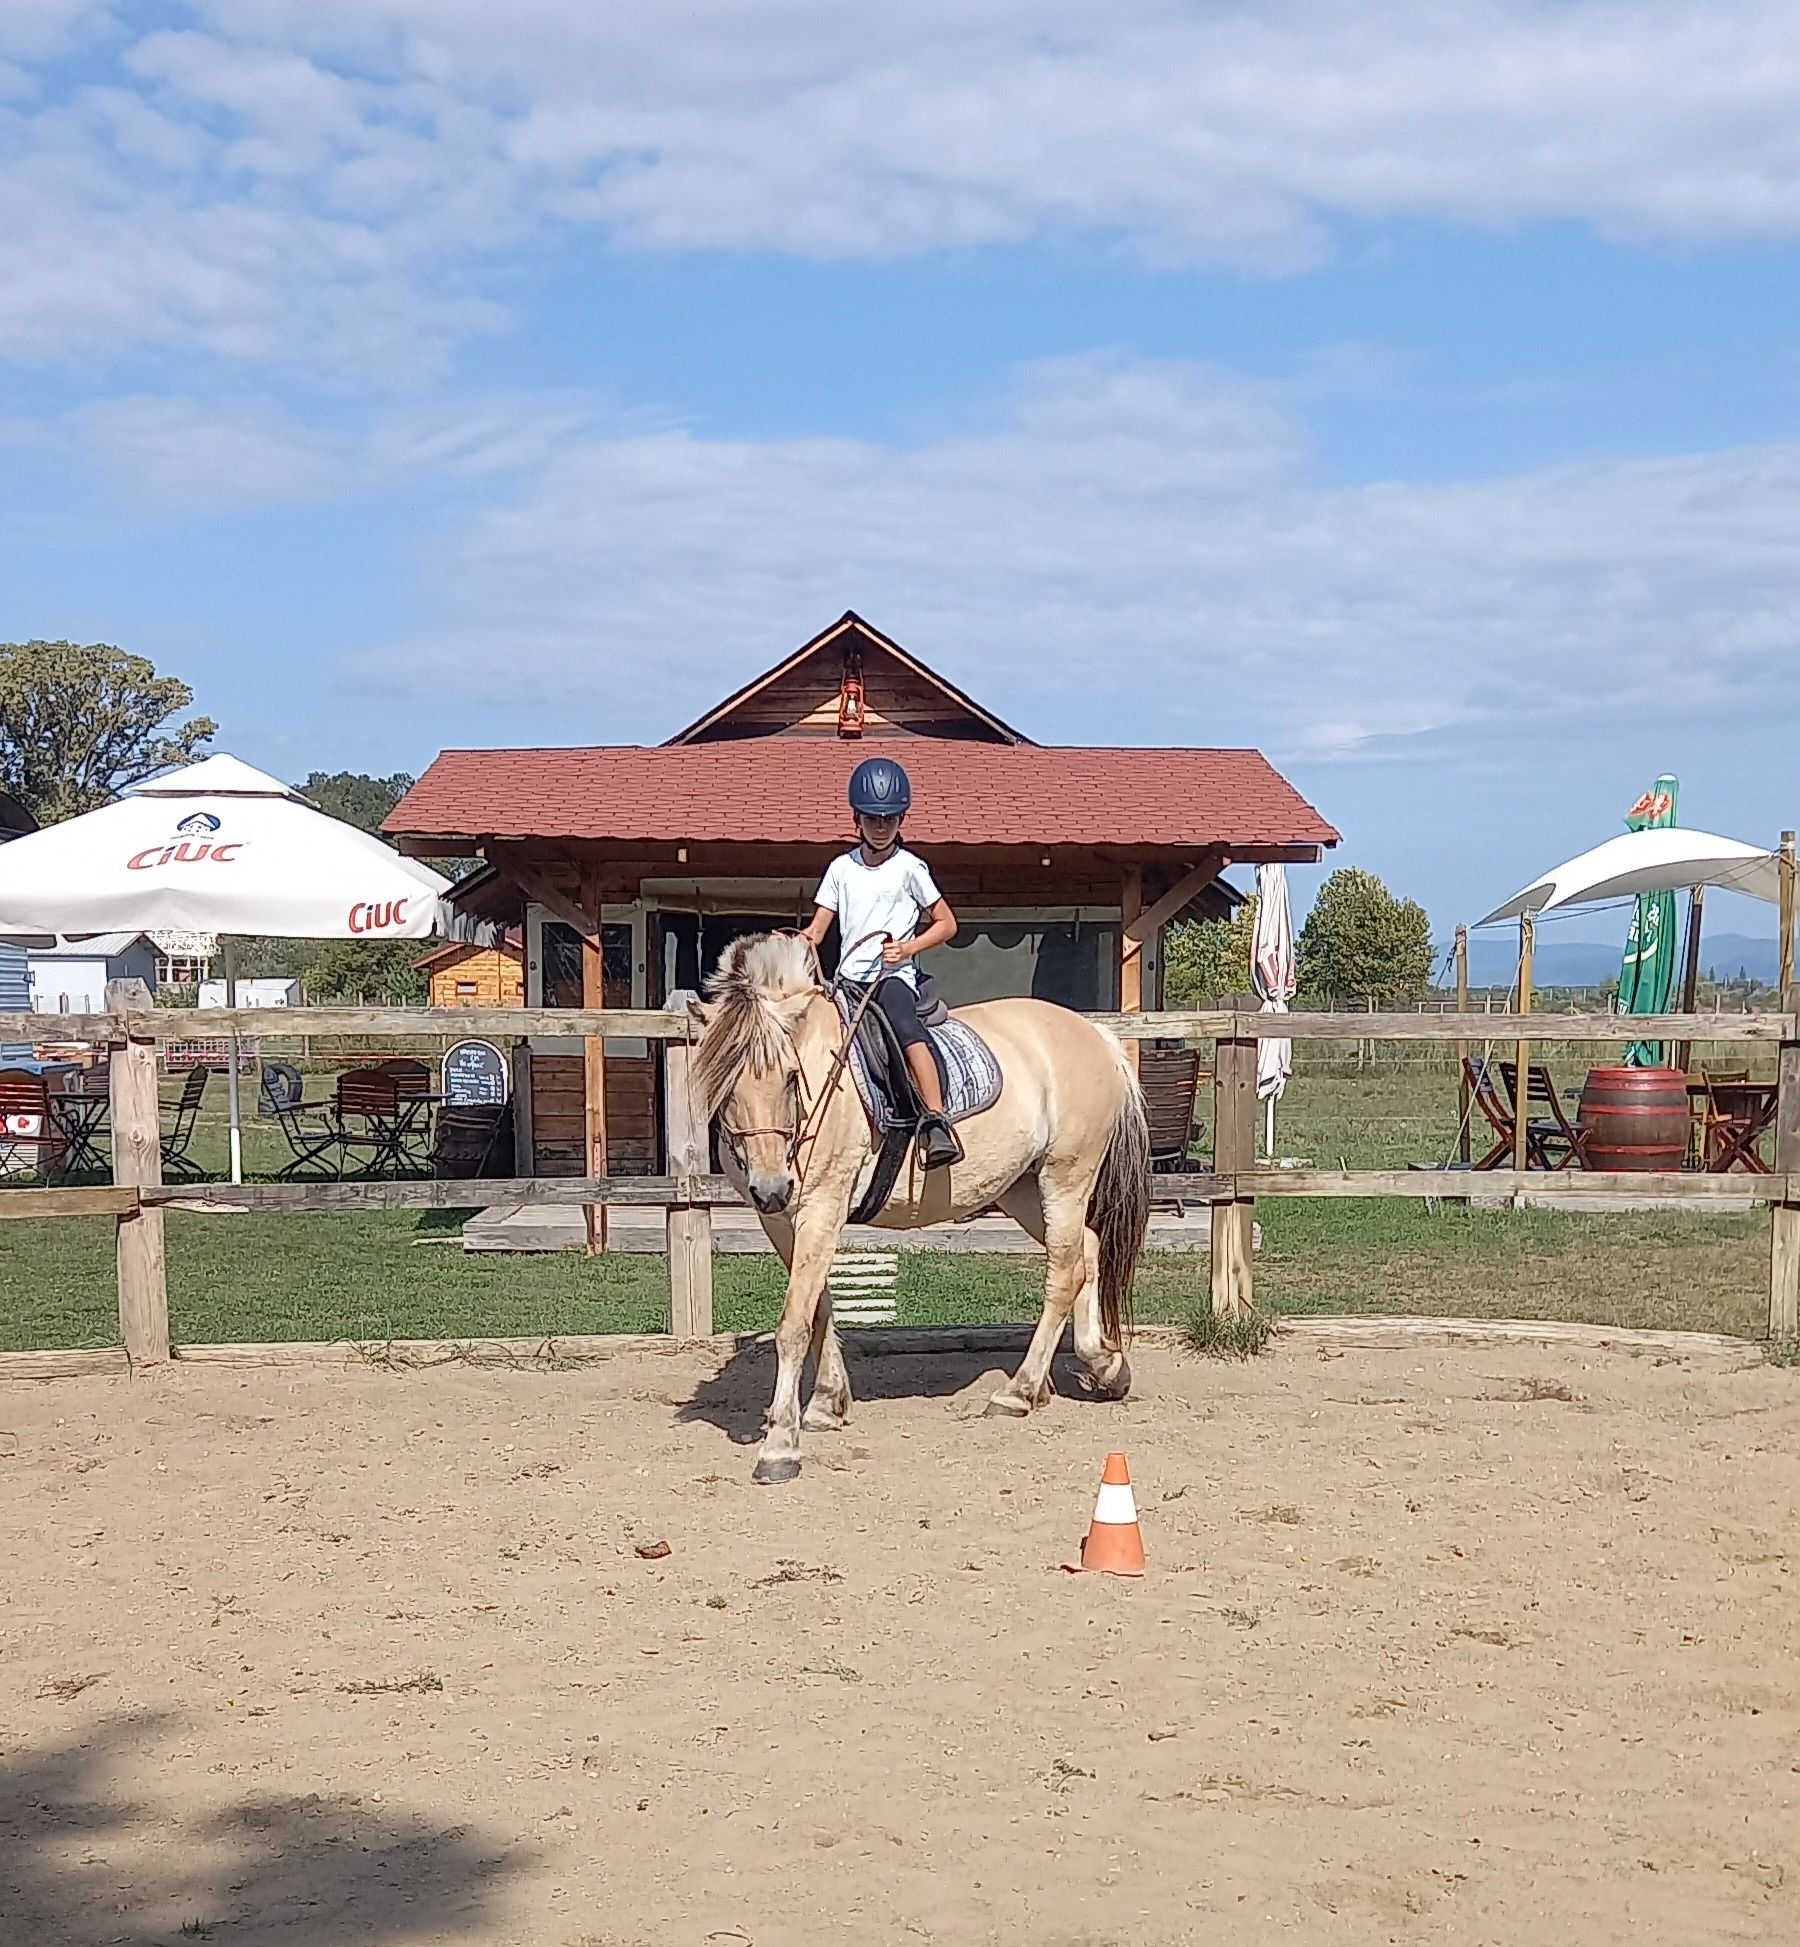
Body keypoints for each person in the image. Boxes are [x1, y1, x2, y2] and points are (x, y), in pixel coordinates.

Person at [801, 756, 964, 1168]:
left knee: (905, 1027)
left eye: (889, 818)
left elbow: (947, 924)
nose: (880, 826)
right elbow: (818, 931)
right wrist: (791, 943)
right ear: (857, 818)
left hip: (892, 977)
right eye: (873, 818)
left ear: (901, 819)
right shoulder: (840, 869)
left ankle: (936, 1120)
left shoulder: (910, 869)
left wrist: (908, 949)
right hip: (847, 981)